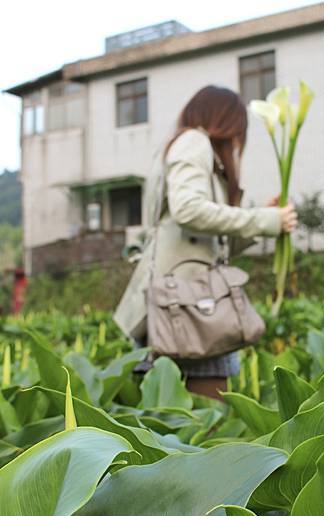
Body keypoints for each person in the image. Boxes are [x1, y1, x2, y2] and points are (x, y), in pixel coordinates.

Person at [114, 85, 297, 399]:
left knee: (179, 431)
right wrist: (264, 220)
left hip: (184, 305)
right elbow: (188, 210)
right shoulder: (194, 141)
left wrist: (265, 221)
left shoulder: (188, 149)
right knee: (207, 429)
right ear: (226, 123)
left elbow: (207, 243)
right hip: (189, 309)